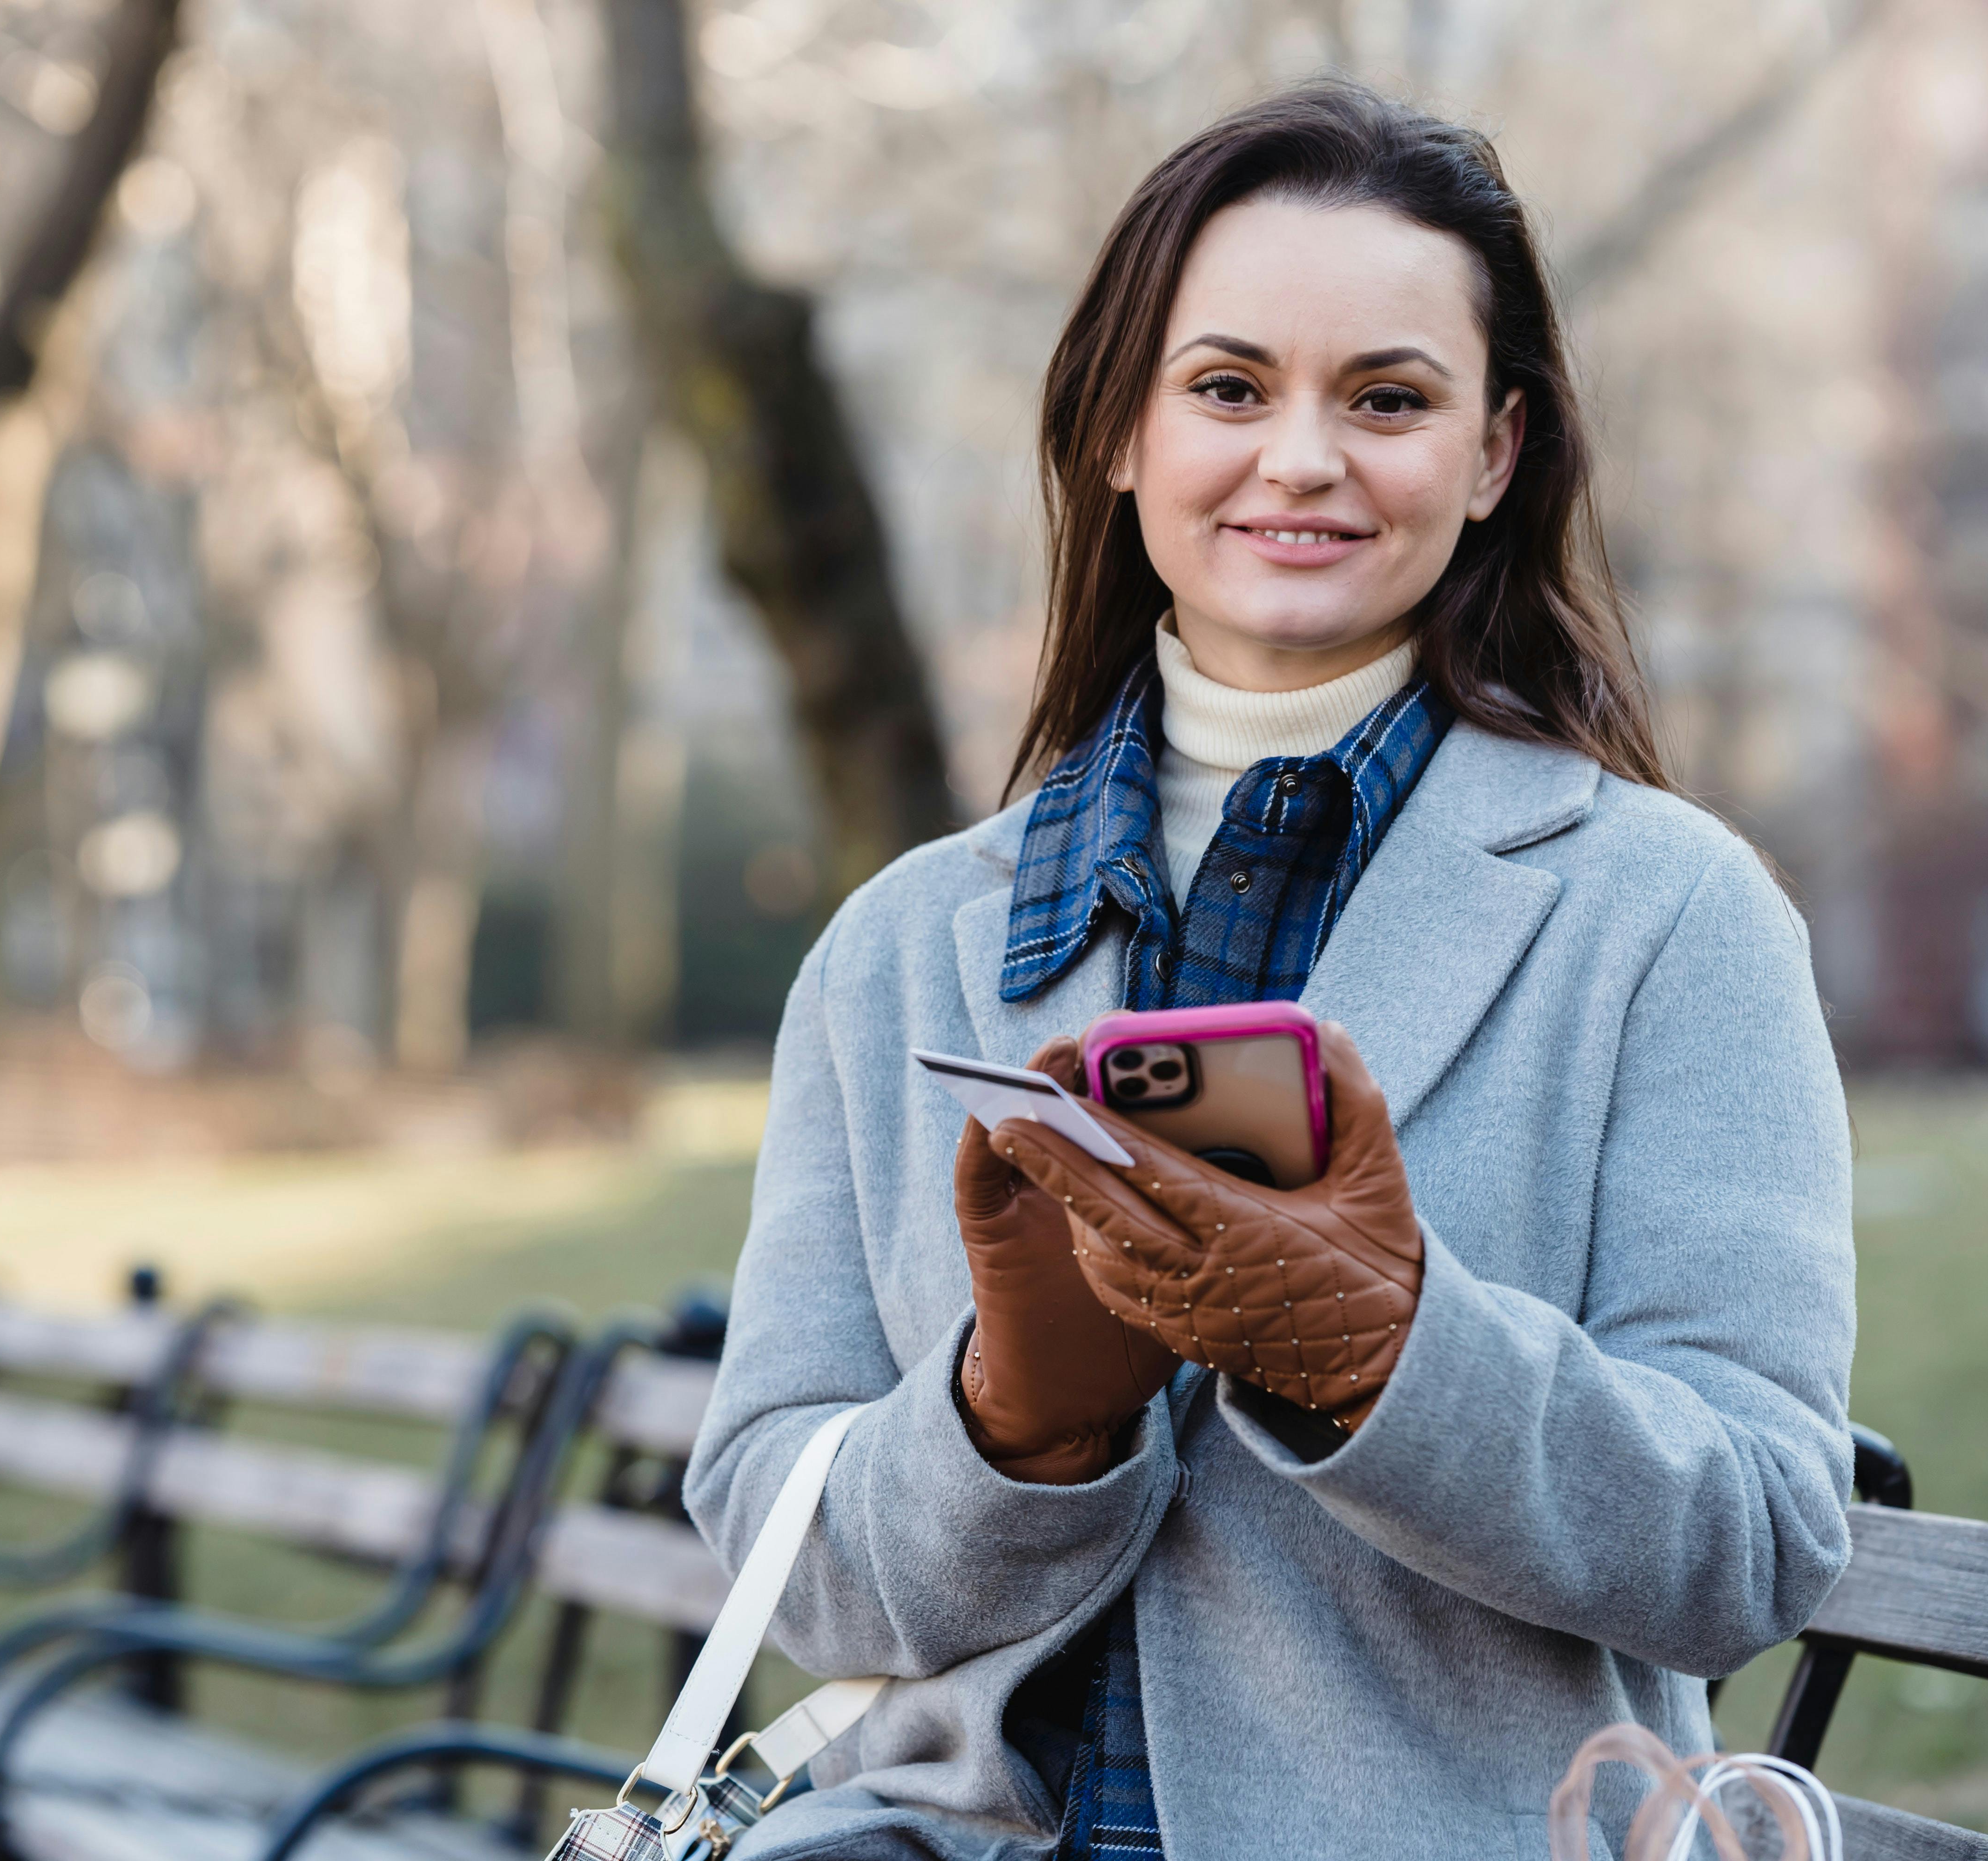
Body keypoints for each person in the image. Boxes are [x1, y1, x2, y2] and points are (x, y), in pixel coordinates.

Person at [686, 78, 1854, 1861]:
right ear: (1120, 435)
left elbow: (1755, 1541)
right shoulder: (899, 951)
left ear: (1494, 453)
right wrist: (1014, 1425)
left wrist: (1387, 1352)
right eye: (1228, 388)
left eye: (1388, 399)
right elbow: (787, 1543)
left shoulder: (1671, 918)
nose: (1301, 458)